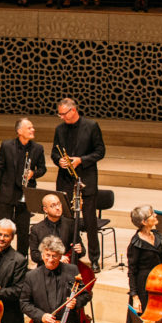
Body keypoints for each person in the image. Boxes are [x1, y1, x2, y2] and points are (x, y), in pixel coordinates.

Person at [52, 98, 106, 269]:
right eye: (59, 114)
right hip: (65, 180)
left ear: (73, 111)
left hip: (86, 179)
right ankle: (70, 254)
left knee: (90, 221)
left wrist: (81, 160)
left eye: (63, 114)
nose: (61, 117)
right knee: (66, 220)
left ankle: (94, 259)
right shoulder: (60, 129)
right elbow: (54, 152)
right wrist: (58, 160)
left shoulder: (91, 126)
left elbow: (100, 151)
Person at [0, 118, 47, 257]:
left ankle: (21, 260)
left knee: (23, 231)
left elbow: (42, 169)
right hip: (7, 192)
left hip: (25, 194)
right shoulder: (6, 145)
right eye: (29, 128)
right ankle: (1, 257)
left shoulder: (37, 148)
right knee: (3, 229)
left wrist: (33, 173)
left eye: (32, 127)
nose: (33, 130)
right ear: (19, 131)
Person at [126, 205, 162, 313]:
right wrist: (135, 297)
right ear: (144, 222)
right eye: (152, 214)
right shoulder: (135, 244)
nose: (155, 215)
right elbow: (132, 272)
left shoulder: (156, 236)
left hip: (158, 282)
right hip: (143, 287)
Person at [29, 193, 85, 267]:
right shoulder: (36, 229)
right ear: (45, 209)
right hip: (46, 269)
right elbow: (35, 256)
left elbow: (82, 251)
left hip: (66, 267)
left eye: (59, 204)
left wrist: (80, 250)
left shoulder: (71, 224)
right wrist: (56, 258)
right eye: (53, 206)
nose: (58, 208)